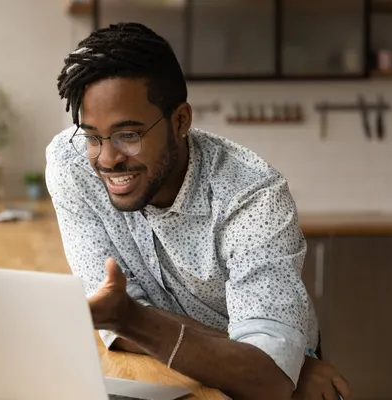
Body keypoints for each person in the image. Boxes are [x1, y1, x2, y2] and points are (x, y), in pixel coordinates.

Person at [45, 22, 350, 400]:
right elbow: (118, 317)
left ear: (180, 121)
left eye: (129, 135)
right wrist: (284, 364)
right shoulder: (70, 162)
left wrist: (274, 364)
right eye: (92, 135)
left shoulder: (252, 196)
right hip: (207, 375)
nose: (107, 159)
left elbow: (267, 382)